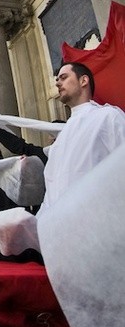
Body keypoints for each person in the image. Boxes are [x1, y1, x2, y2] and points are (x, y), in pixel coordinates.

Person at [40, 62, 125, 216]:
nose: (58, 83)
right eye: (57, 79)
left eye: (64, 77)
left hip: (102, 222)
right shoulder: (59, 142)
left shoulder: (108, 117)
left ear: (83, 81)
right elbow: (50, 194)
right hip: (63, 230)